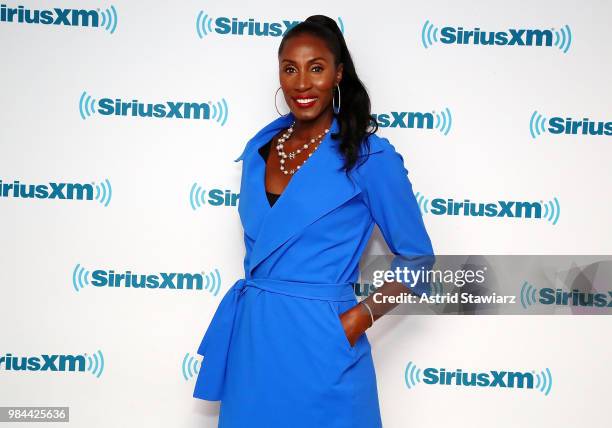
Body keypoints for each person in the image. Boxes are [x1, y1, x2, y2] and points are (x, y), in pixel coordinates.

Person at [193, 14, 434, 428]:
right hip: (254, 341)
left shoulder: (369, 157)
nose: (301, 83)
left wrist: (357, 320)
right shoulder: (260, 150)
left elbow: (418, 259)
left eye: (316, 68)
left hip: (323, 341)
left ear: (338, 74)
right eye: (290, 69)